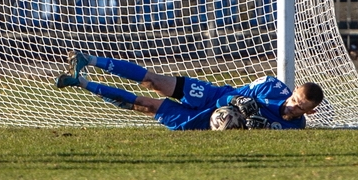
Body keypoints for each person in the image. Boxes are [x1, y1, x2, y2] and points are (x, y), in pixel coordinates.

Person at [55, 51, 323, 130]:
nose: (292, 106)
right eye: (294, 99)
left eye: (300, 107)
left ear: (311, 111)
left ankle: (82, 83)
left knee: (145, 105)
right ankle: (89, 61)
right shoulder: (272, 86)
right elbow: (233, 94)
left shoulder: (292, 129)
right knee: (155, 81)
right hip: (211, 95)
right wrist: (238, 101)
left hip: (203, 121)